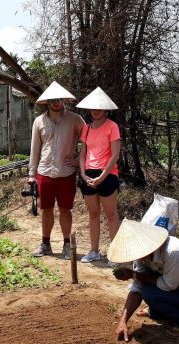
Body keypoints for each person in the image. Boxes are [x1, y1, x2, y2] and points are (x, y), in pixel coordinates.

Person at [108, 219, 179, 341]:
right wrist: (123, 320)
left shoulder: (174, 251)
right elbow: (137, 286)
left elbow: (168, 286)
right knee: (146, 288)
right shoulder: (142, 255)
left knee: (150, 293)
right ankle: (159, 311)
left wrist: (134, 275)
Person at [28, 81, 85, 259]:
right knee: (46, 209)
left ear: (64, 101)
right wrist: (31, 174)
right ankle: (45, 244)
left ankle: (67, 244)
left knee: (65, 209)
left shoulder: (75, 120)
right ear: (47, 101)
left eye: (59, 99)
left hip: (66, 172)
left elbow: (90, 140)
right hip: (44, 171)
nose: (56, 102)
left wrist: (79, 160)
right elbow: (35, 149)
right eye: (52, 99)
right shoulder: (39, 121)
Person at [76, 87, 121, 267]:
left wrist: (102, 176)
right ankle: (94, 251)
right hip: (89, 175)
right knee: (93, 214)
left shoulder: (112, 127)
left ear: (105, 109)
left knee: (111, 215)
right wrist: (83, 173)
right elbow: (83, 153)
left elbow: (115, 155)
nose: (96, 110)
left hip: (108, 174)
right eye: (93, 107)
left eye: (100, 107)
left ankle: (115, 254)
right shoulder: (86, 129)